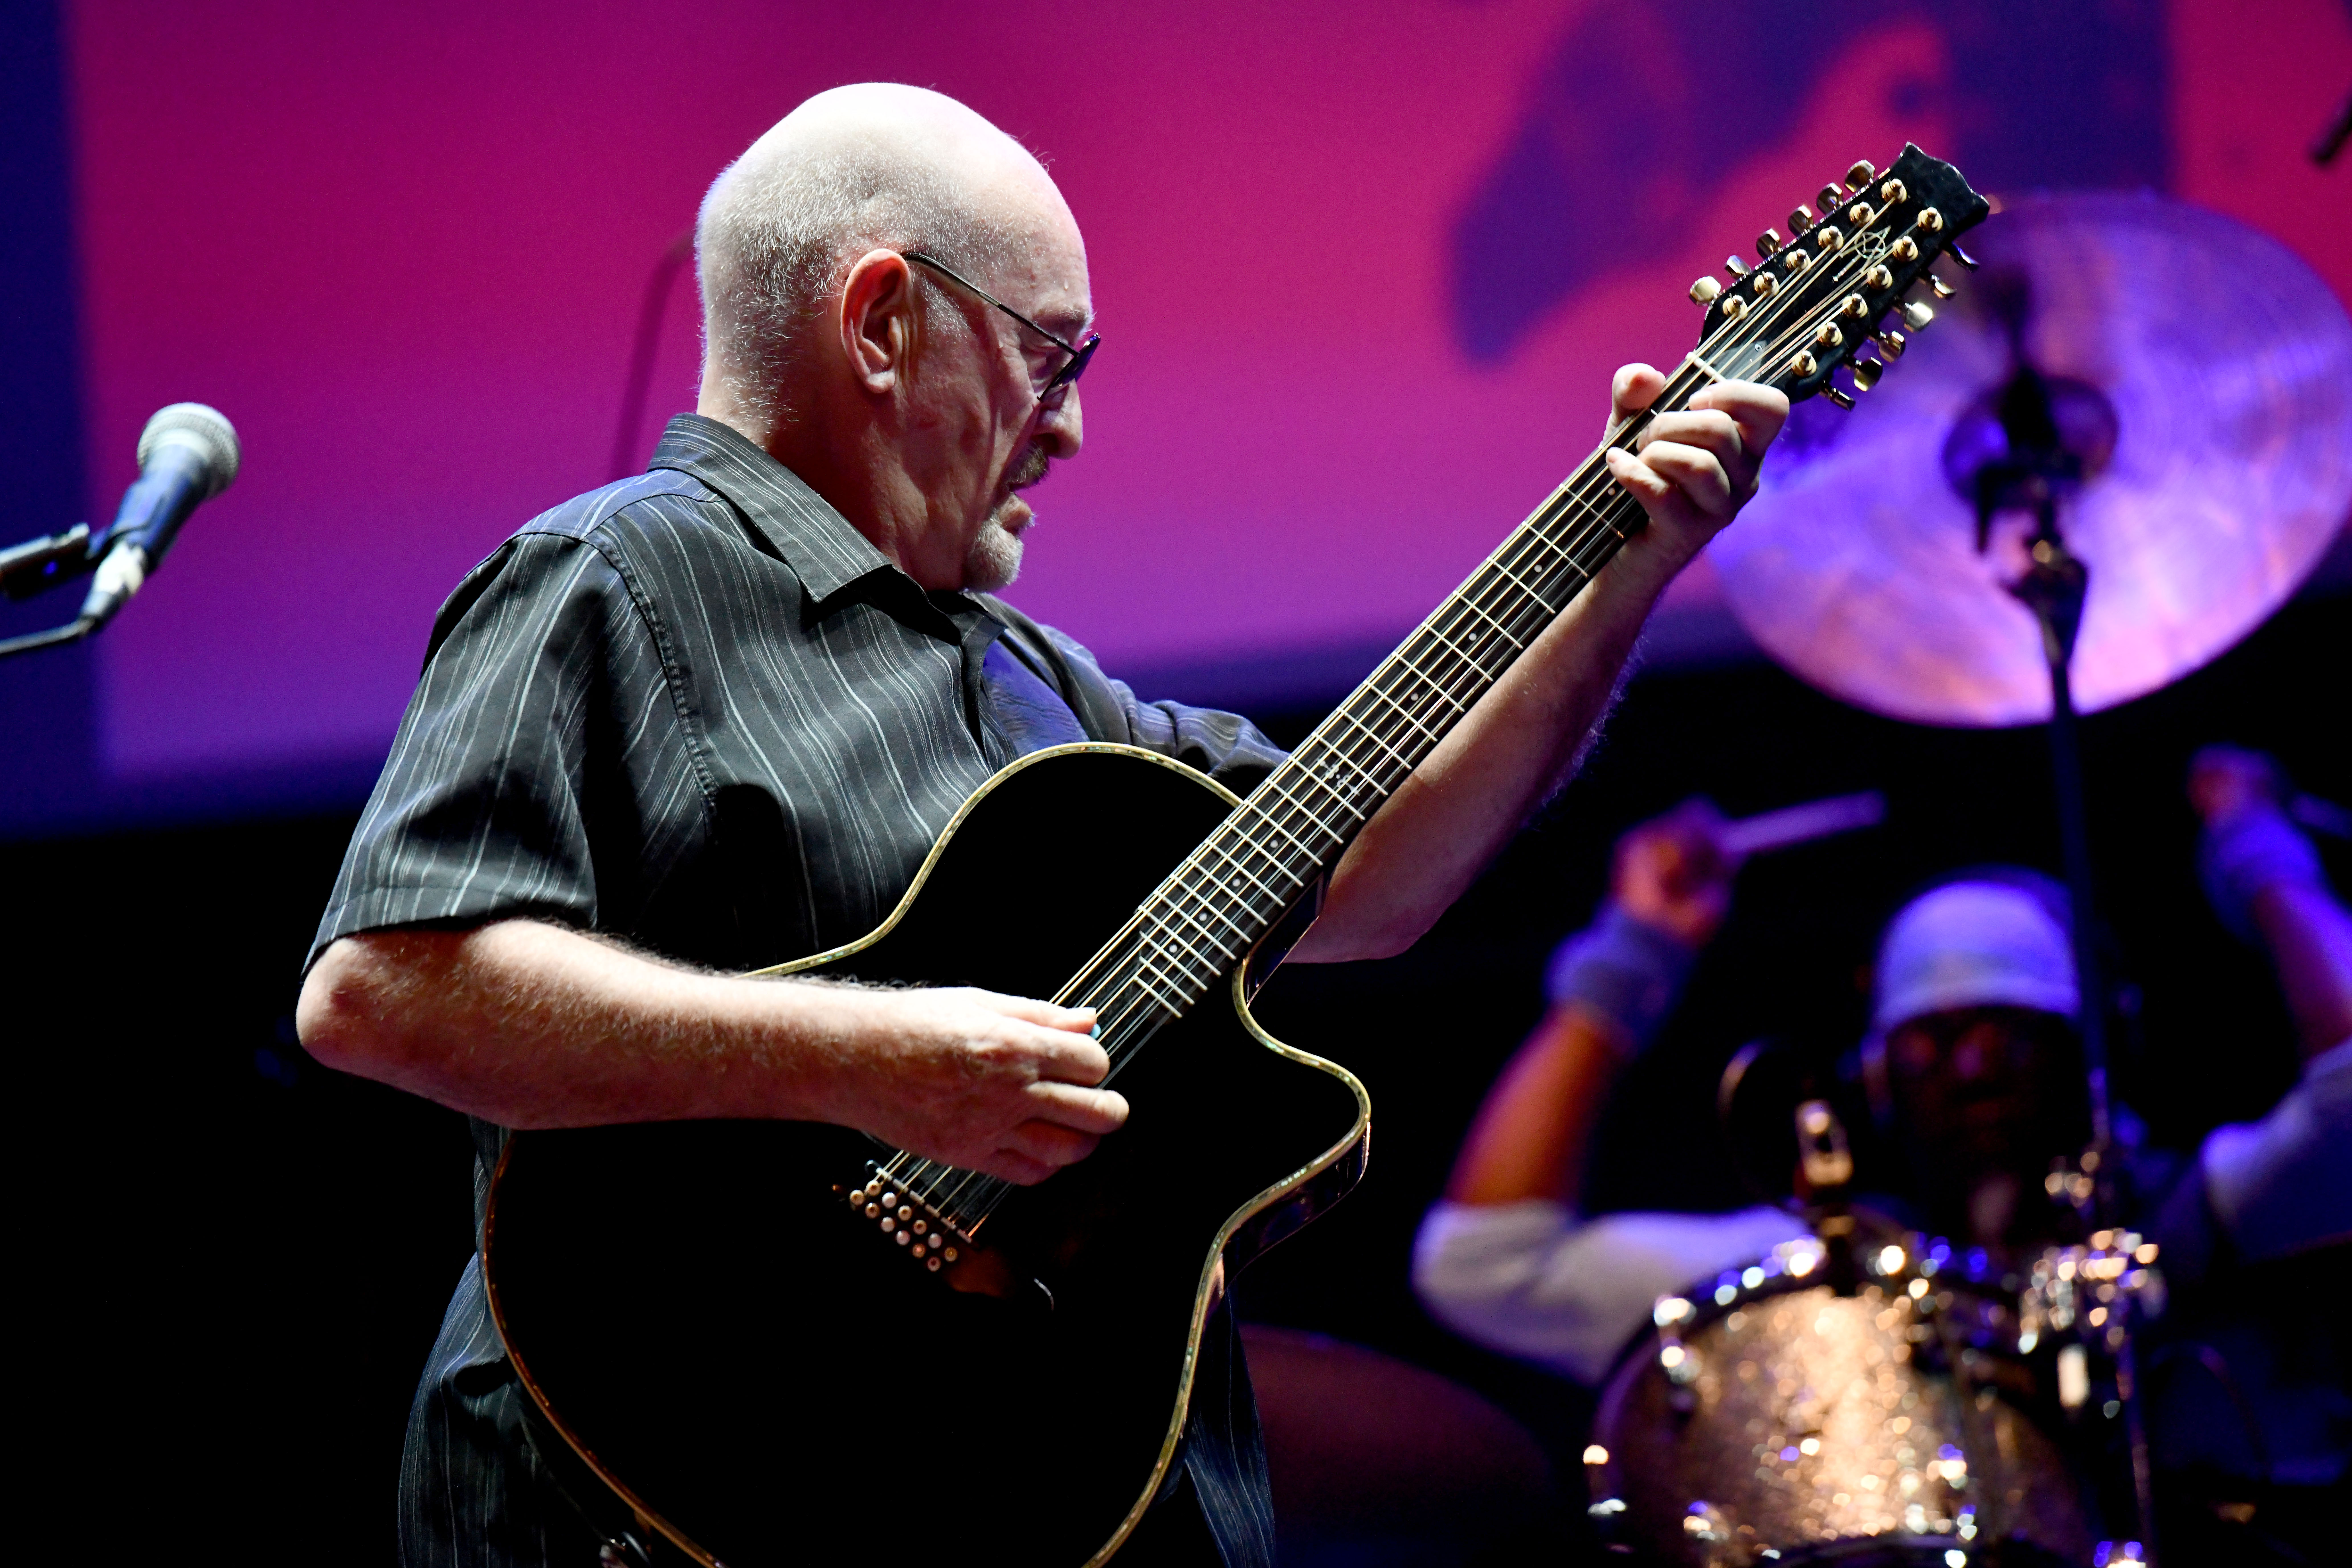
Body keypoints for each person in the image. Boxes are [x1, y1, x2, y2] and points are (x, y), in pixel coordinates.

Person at [294, 83, 1787, 1567]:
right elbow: (384, 990)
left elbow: (1378, 874)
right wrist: (886, 1067)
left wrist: (1628, 570)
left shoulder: (1038, 680)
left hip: (1028, 1492)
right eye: (1049, 356)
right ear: (882, 323)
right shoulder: (609, 575)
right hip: (665, 1492)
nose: (1071, 428)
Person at [1413, 750, 2350, 1551]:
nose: (1976, 1067)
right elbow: (1488, 1265)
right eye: (1931, 1042)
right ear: (1875, 1077)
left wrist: (2262, 856)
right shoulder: (1828, 1278)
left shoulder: (2204, 1219)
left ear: (2097, 1048)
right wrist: (1635, 952)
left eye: (2013, 1030)